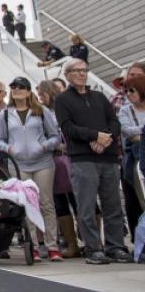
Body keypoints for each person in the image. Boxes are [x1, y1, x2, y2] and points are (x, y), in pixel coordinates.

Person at [54, 58, 131, 264]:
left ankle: (116, 246)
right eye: (76, 70)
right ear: (67, 75)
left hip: (108, 156)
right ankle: (93, 248)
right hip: (82, 158)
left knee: (113, 205)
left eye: (84, 70)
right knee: (86, 207)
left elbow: (114, 122)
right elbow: (68, 127)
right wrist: (95, 136)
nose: (82, 73)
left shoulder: (99, 96)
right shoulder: (62, 99)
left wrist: (106, 138)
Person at [0, 77, 61, 262]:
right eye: (13, 87)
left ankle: (52, 246)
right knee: (28, 204)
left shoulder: (41, 111)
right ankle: (33, 246)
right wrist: (9, 148)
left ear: (29, 90)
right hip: (19, 164)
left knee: (46, 203)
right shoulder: (5, 114)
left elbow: (55, 136)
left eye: (21, 87)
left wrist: (43, 146)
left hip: (43, 162)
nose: (17, 89)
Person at [37, 79, 80, 259]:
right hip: (52, 159)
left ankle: (90, 241)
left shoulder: (66, 108)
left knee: (80, 201)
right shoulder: (40, 113)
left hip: (73, 158)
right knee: (60, 203)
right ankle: (72, 244)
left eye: (42, 94)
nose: (41, 98)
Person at [118, 73, 145, 247]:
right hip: (136, 160)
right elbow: (127, 132)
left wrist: (140, 133)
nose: (128, 94)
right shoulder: (124, 110)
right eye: (126, 91)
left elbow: (136, 134)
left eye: (132, 90)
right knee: (140, 200)